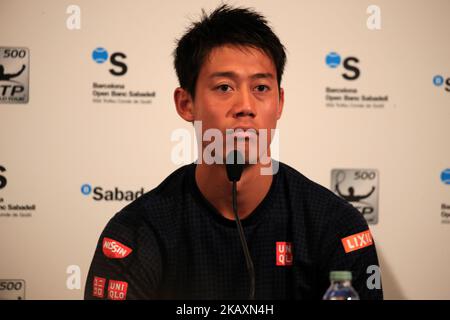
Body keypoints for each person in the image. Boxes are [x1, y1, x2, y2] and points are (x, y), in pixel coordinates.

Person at [84, 4, 383, 300]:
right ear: (186, 104)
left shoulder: (335, 226)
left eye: (261, 88)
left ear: (279, 103)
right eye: (225, 87)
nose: (245, 107)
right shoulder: (136, 232)